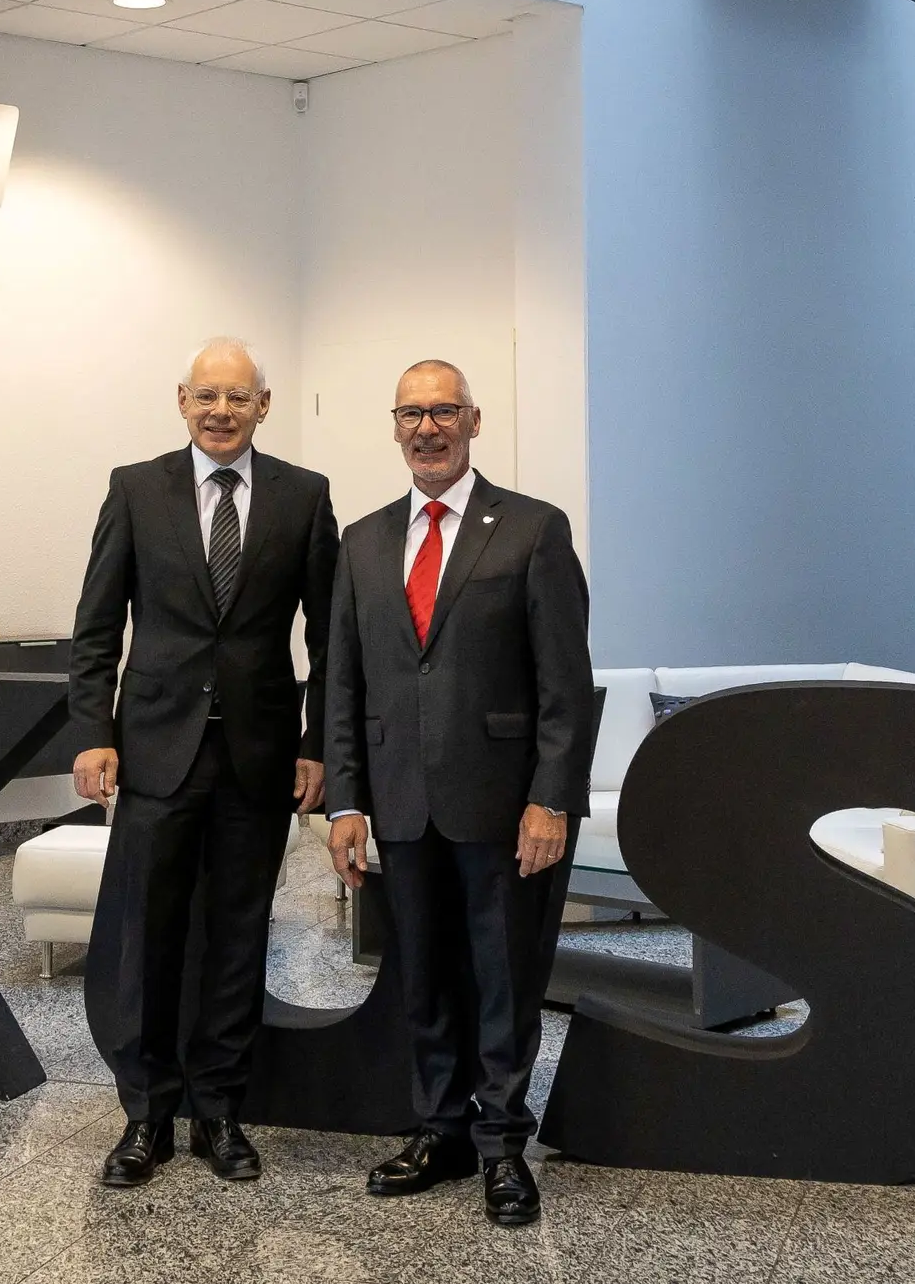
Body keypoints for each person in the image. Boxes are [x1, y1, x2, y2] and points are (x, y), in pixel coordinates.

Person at [323, 359, 595, 1227]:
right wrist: (345, 801)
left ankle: (503, 1145)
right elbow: (341, 684)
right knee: (425, 974)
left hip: (504, 806)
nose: (427, 428)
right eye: (412, 413)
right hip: (400, 802)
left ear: (474, 421)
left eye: (444, 411)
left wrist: (552, 796)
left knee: (504, 976)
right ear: (394, 426)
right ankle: (439, 1129)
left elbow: (565, 684)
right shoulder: (363, 541)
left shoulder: (532, 529)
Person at [71, 337, 339, 1188]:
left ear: (265, 406)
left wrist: (316, 743)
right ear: (182, 400)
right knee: (145, 937)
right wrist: (93, 730)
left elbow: (332, 638)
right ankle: (146, 1114)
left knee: (237, 935)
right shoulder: (135, 488)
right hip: (156, 752)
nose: (222, 411)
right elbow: (96, 625)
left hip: (259, 758)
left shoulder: (304, 496)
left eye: (238, 397)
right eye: (207, 396)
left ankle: (219, 1110)